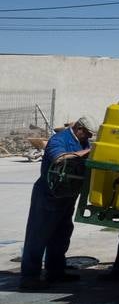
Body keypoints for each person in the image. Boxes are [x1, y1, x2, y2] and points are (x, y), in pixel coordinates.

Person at [19, 118, 93, 291]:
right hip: (48, 194)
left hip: (66, 195)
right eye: (87, 133)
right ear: (78, 128)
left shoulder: (82, 140)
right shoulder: (59, 140)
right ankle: (29, 277)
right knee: (38, 235)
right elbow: (59, 158)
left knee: (61, 234)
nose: (88, 137)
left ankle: (55, 271)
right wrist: (87, 152)